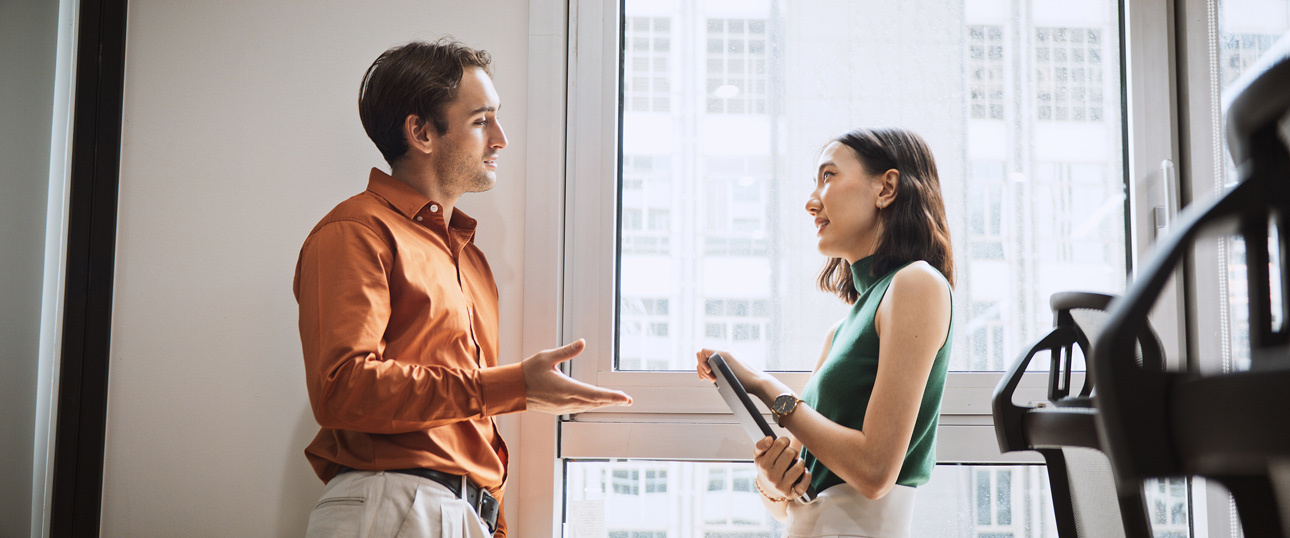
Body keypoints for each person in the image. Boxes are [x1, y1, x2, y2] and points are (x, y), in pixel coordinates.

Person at [294, 39, 632, 538]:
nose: (501, 139)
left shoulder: (470, 260)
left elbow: (467, 425)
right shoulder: (357, 231)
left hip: (459, 513)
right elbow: (342, 391)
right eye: (481, 121)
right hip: (394, 504)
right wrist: (512, 385)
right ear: (421, 132)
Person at [696, 128, 954, 538]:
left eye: (829, 176)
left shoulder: (916, 284)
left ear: (887, 187)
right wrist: (774, 480)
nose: (811, 201)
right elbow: (791, 502)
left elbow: (873, 473)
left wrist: (765, 386)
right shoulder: (839, 332)